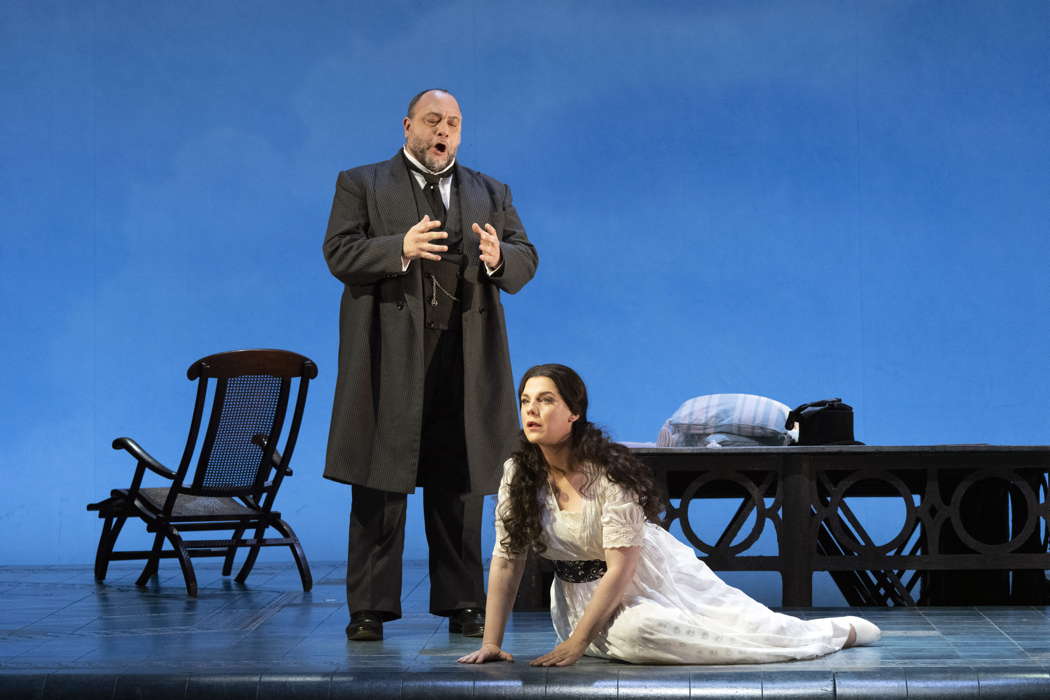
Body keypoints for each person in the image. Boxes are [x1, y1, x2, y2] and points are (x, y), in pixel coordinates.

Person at [459, 364, 881, 666]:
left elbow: (621, 568)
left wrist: (577, 644)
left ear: (574, 412)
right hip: (576, 597)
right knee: (640, 637)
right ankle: (597, 634)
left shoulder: (607, 473)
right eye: (526, 400)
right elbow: (506, 558)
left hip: (650, 578)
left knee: (742, 625)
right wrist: (493, 642)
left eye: (546, 400)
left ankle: (833, 633)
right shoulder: (518, 473)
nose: (531, 409)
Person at [322, 89, 538, 641]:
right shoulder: (362, 183)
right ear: (408, 126)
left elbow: (525, 256)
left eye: (454, 124)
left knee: (460, 483)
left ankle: (464, 602)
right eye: (433, 121)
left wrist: (498, 258)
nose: (444, 131)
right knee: (378, 483)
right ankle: (368, 609)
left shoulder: (491, 191)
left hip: (462, 358)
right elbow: (339, 253)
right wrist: (399, 246)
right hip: (388, 357)